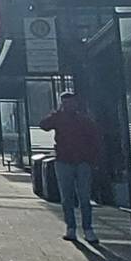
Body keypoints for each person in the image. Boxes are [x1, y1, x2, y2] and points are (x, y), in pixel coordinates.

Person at [36, 90, 102, 243]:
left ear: (75, 103)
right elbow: (43, 125)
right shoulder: (59, 118)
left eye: (70, 102)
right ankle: (71, 227)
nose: (68, 105)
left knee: (84, 197)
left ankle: (87, 228)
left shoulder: (84, 120)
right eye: (65, 103)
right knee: (67, 197)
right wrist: (55, 114)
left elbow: (94, 139)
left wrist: (92, 159)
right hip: (64, 161)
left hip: (81, 161)